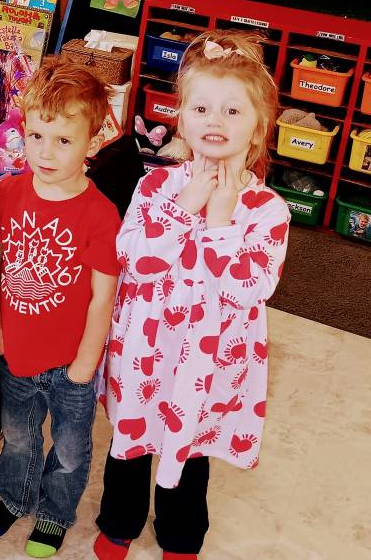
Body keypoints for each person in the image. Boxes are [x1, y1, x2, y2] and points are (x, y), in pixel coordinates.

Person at [93, 31, 290, 560]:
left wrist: (221, 222)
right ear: (180, 118)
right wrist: (184, 207)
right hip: (148, 348)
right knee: (130, 441)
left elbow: (251, 289)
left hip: (211, 357)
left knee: (191, 450)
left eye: (232, 110)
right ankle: (119, 522)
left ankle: (181, 534)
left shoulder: (268, 210)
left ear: (258, 126)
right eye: (201, 108)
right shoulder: (154, 187)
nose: (214, 120)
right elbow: (134, 259)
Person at [0, 58, 120, 558]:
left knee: (70, 449)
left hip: (71, 365)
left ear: (92, 142)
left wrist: (86, 361)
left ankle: (55, 513)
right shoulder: (6, 194)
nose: (45, 152)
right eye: (36, 136)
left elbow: (103, 295)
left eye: (63, 140)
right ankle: (15, 498)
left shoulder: (101, 214)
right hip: (16, 352)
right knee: (18, 438)